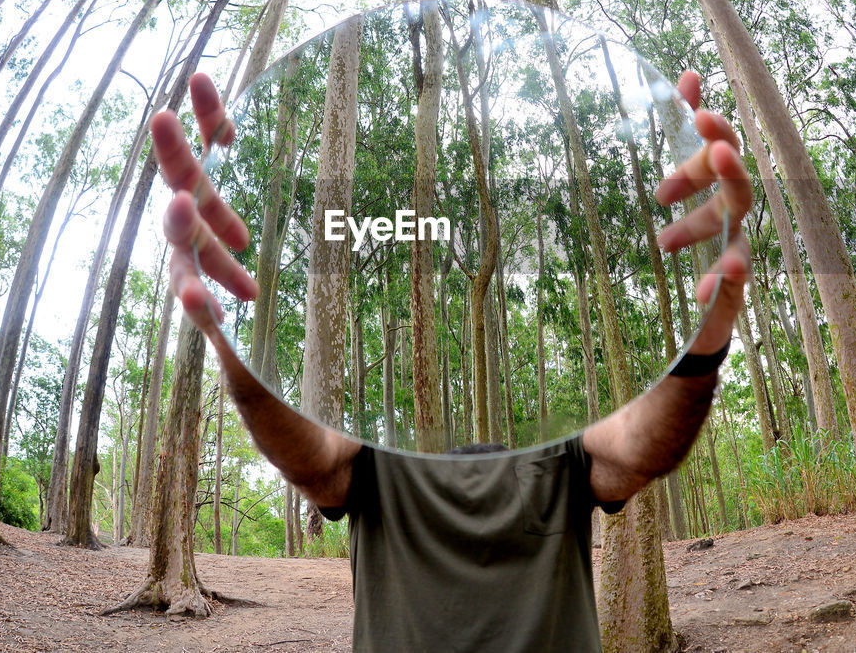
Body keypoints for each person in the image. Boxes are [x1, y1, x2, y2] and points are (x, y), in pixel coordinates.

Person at [150, 69, 753, 652]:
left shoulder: (568, 444)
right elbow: (313, 462)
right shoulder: (372, 456)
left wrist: (703, 348)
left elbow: (639, 448)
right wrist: (233, 353)